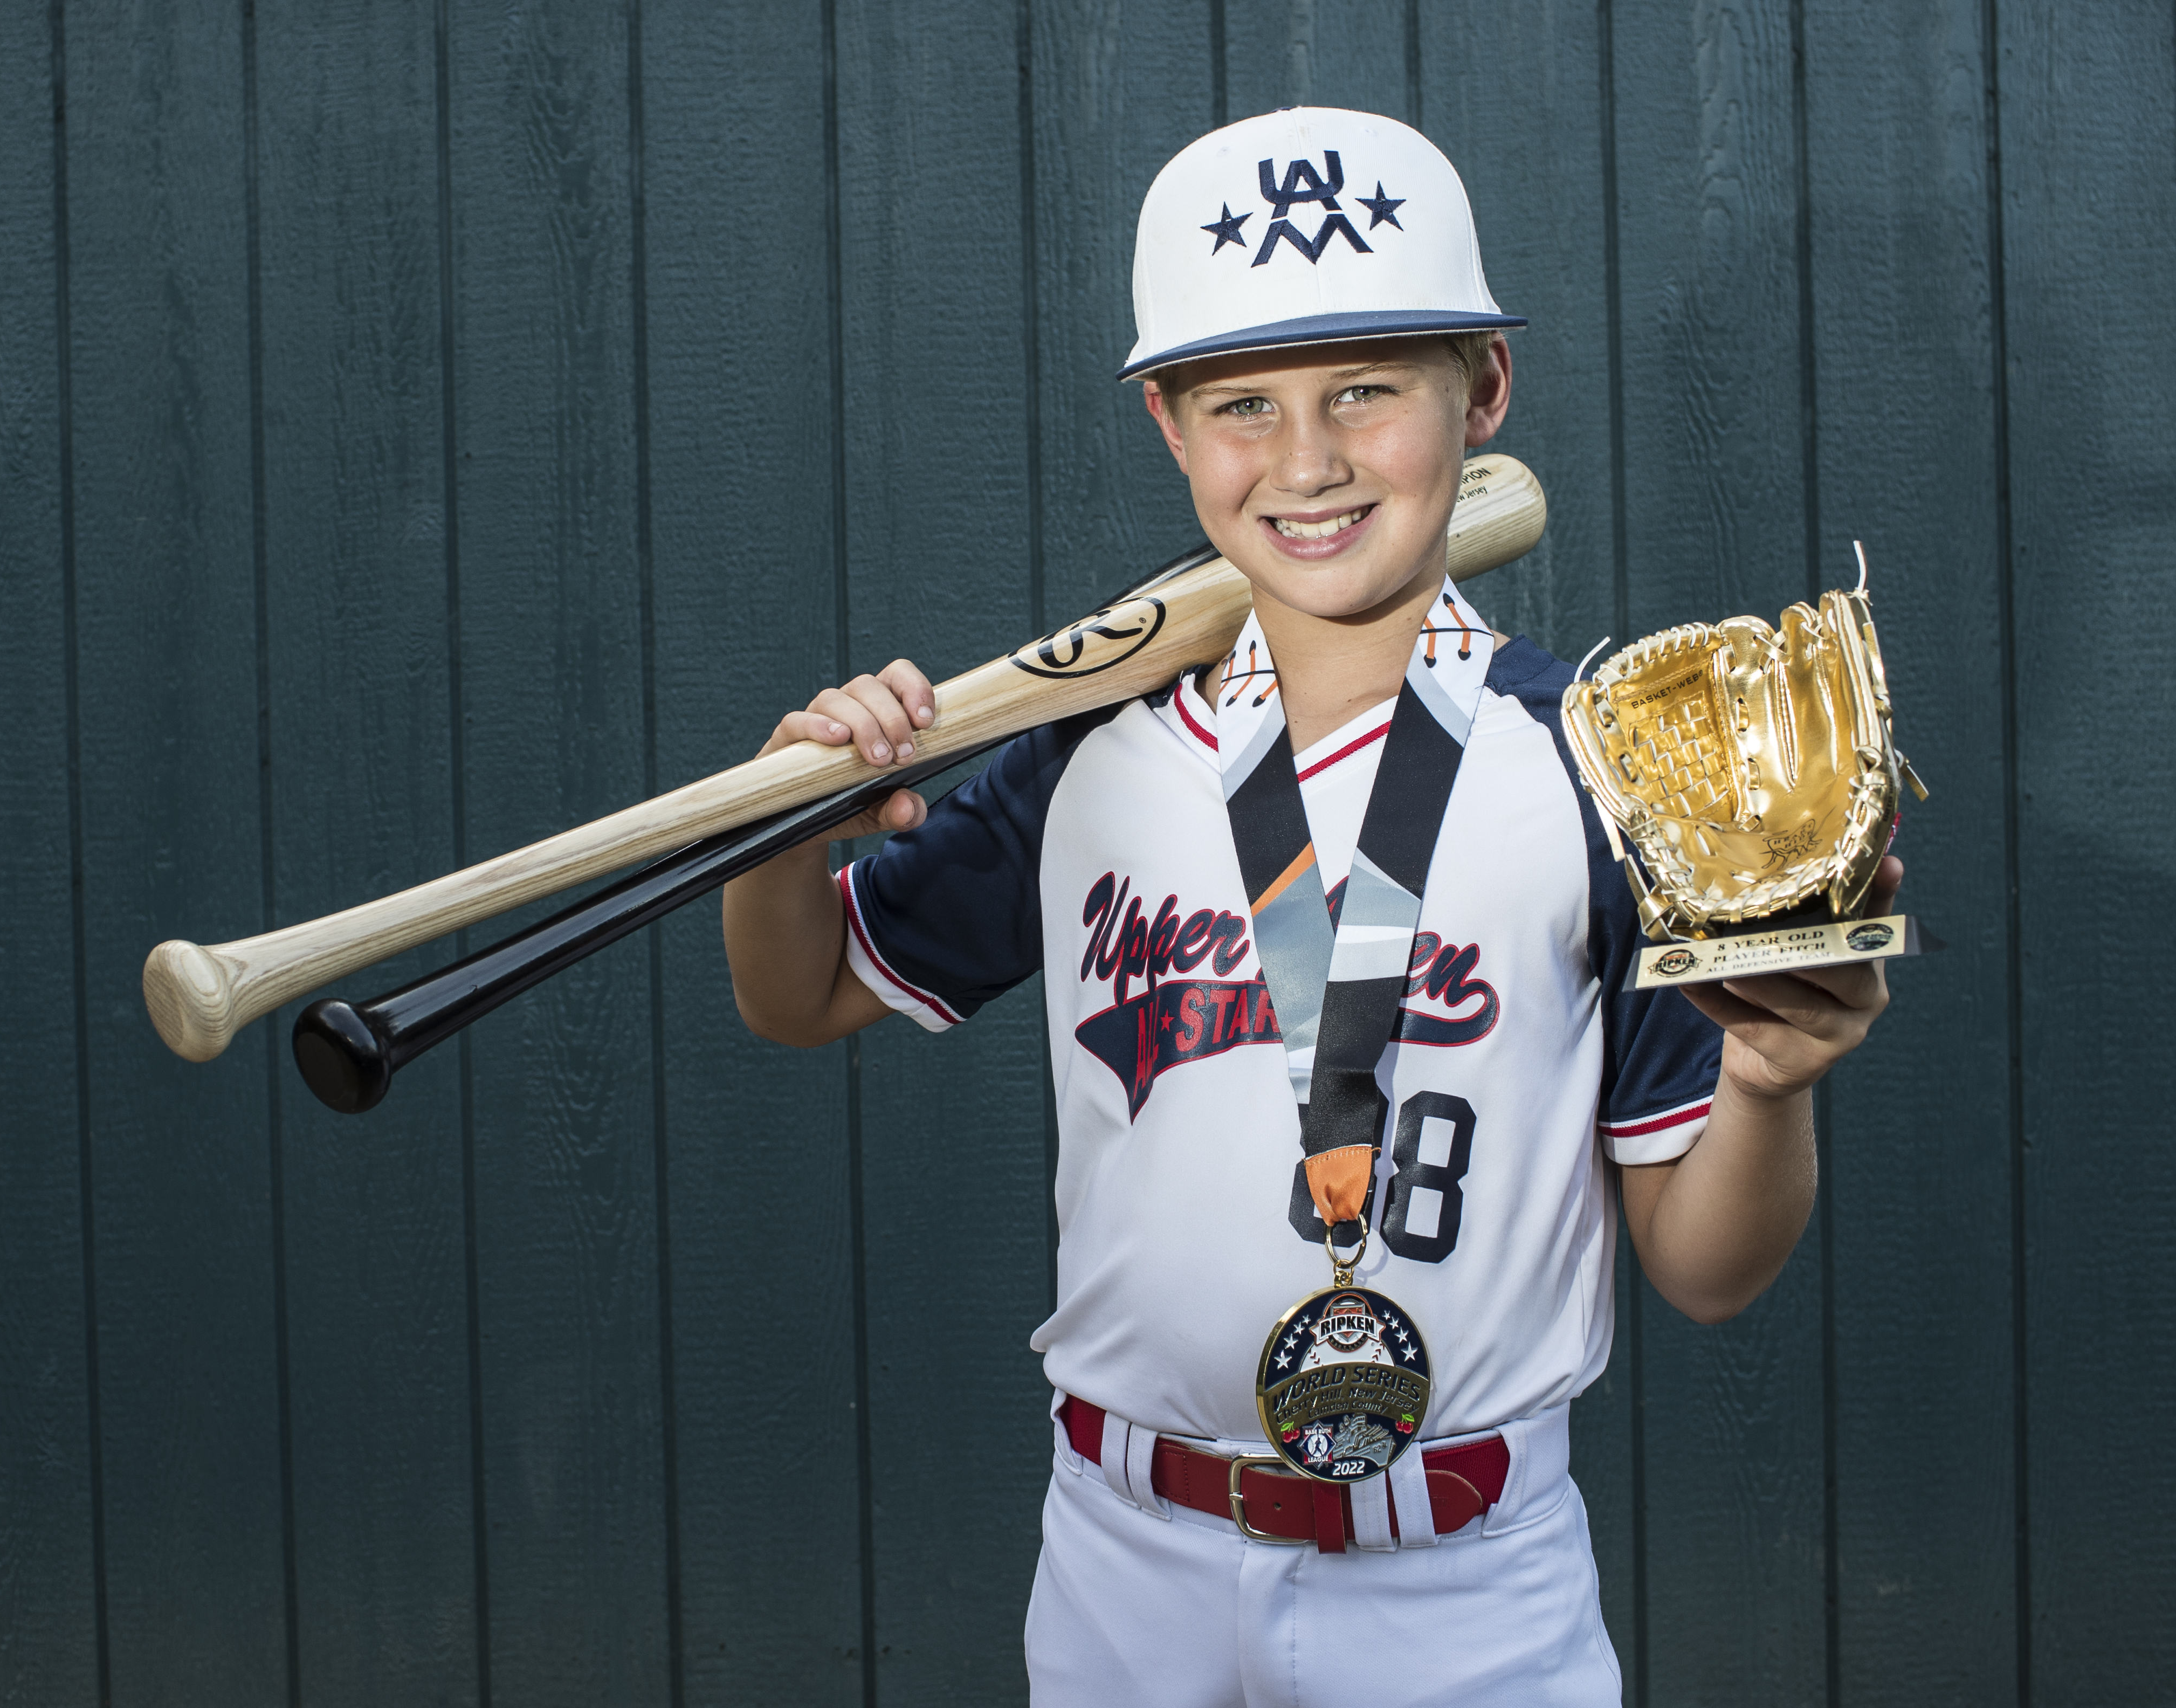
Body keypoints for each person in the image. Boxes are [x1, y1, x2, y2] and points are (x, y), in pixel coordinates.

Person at [720, 107, 1898, 1707]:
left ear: (1481, 389)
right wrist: (782, 828)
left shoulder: (1606, 771)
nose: (1309, 462)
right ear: (1168, 424)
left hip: (1470, 1590)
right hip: (1127, 1563)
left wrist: (1769, 1083)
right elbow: (803, 994)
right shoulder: (1089, 761)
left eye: (1365, 390)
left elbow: (1706, 1266)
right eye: (1242, 406)